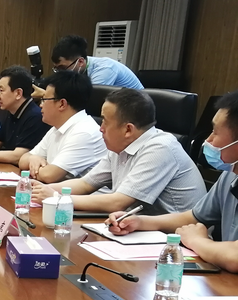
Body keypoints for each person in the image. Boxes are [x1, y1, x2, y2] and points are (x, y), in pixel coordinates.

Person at [107, 91, 238, 271]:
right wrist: (140, 222)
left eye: (215, 132)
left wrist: (196, 240)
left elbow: (235, 257)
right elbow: (193, 217)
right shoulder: (230, 174)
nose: (208, 140)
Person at [31, 88, 205, 213]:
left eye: (105, 121)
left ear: (128, 129)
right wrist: (39, 189)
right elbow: (85, 184)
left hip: (176, 241)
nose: (101, 128)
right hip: (137, 228)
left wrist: (57, 198)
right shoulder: (119, 146)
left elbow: (118, 202)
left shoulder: (160, 148)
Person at [18, 71, 106, 183]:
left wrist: (32, 168)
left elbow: (49, 175)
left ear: (62, 104)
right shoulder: (57, 127)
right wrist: (33, 158)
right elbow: (22, 160)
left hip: (81, 194)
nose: (40, 105)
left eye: (44, 99)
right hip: (55, 190)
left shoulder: (84, 132)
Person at [51, 35, 143, 89]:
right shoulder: (82, 67)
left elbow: (90, 100)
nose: (59, 72)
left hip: (136, 110)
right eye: (56, 68)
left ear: (81, 62)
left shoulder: (105, 69)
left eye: (63, 68)